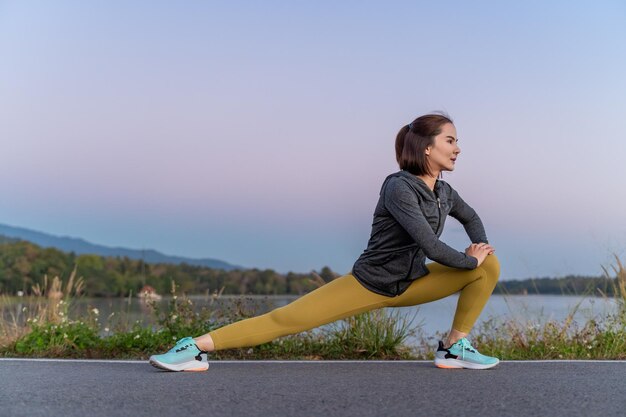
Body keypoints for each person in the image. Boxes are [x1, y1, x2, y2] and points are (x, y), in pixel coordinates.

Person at [149, 113, 500, 372]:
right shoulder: (398, 187)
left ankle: (453, 346)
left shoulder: (444, 191)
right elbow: (429, 244)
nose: (458, 148)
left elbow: (470, 217)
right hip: (370, 283)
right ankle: (193, 348)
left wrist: (480, 249)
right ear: (427, 147)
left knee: (491, 266)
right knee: (285, 319)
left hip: (413, 282)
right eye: (450, 140)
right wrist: (470, 260)